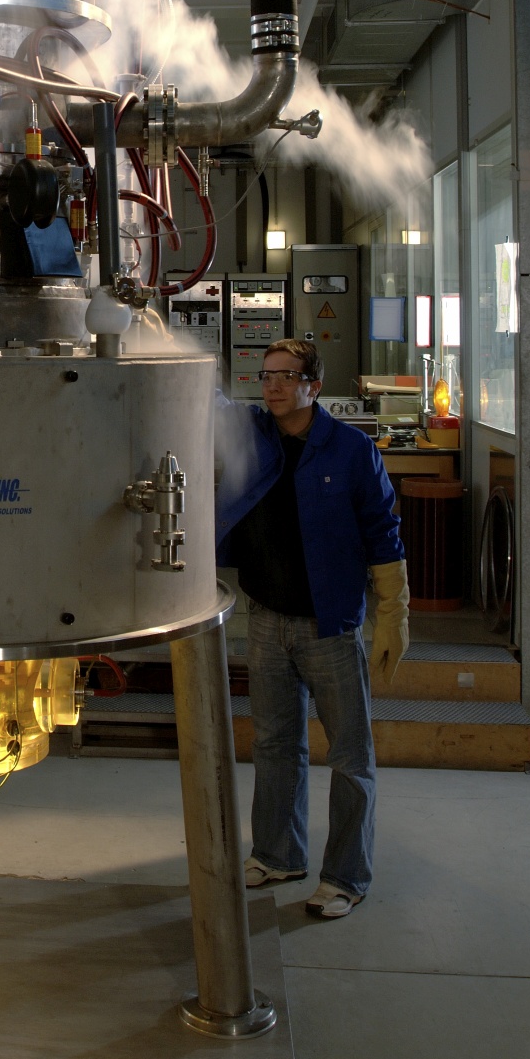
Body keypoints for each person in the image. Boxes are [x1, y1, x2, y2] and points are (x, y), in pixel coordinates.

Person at [215, 339, 408, 918]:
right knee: (275, 745)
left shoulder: (349, 450)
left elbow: (382, 529)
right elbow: (204, 405)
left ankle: (345, 876)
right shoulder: (253, 435)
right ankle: (278, 854)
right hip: (267, 619)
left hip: (330, 624)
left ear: (314, 386)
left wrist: (393, 611)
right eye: (267, 374)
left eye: (287, 376)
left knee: (350, 756)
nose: (272, 385)